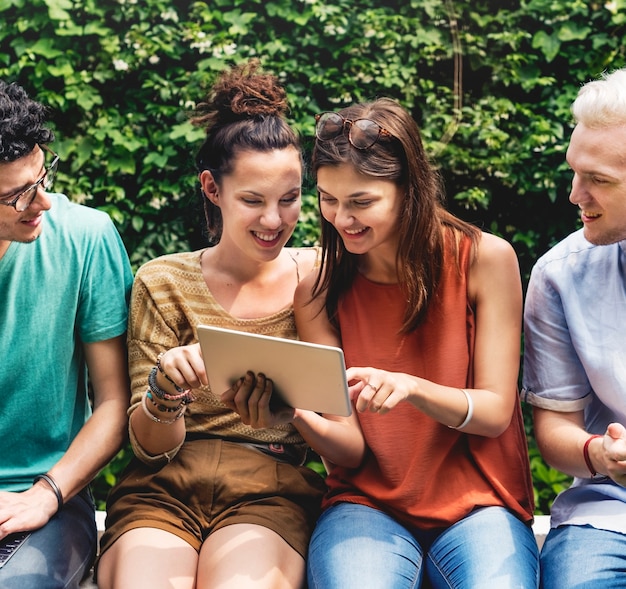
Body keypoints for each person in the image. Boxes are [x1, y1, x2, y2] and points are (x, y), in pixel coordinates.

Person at [96, 60, 363, 589]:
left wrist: (294, 411)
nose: (274, 221)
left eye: (289, 200)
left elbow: (348, 440)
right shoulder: (164, 281)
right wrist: (164, 392)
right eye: (252, 201)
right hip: (163, 485)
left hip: (272, 487)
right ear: (212, 189)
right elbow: (147, 445)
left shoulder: (320, 277)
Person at [292, 98, 539, 589]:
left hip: (479, 503)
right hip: (365, 505)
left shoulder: (484, 258)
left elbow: (493, 413)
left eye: (362, 202)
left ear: (410, 189)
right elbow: (349, 449)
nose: (343, 219)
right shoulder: (318, 289)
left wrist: (411, 388)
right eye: (328, 199)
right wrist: (294, 413)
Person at [0, 81, 133, 588]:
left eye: (43, 176)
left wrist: (45, 495)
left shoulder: (87, 237)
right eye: (18, 195)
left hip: (51, 501)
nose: (44, 203)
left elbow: (115, 403)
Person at [522, 68, 626, 589]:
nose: (574, 194)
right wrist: (601, 456)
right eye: (574, 171)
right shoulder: (559, 275)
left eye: (599, 180)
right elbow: (555, 430)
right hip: (607, 514)